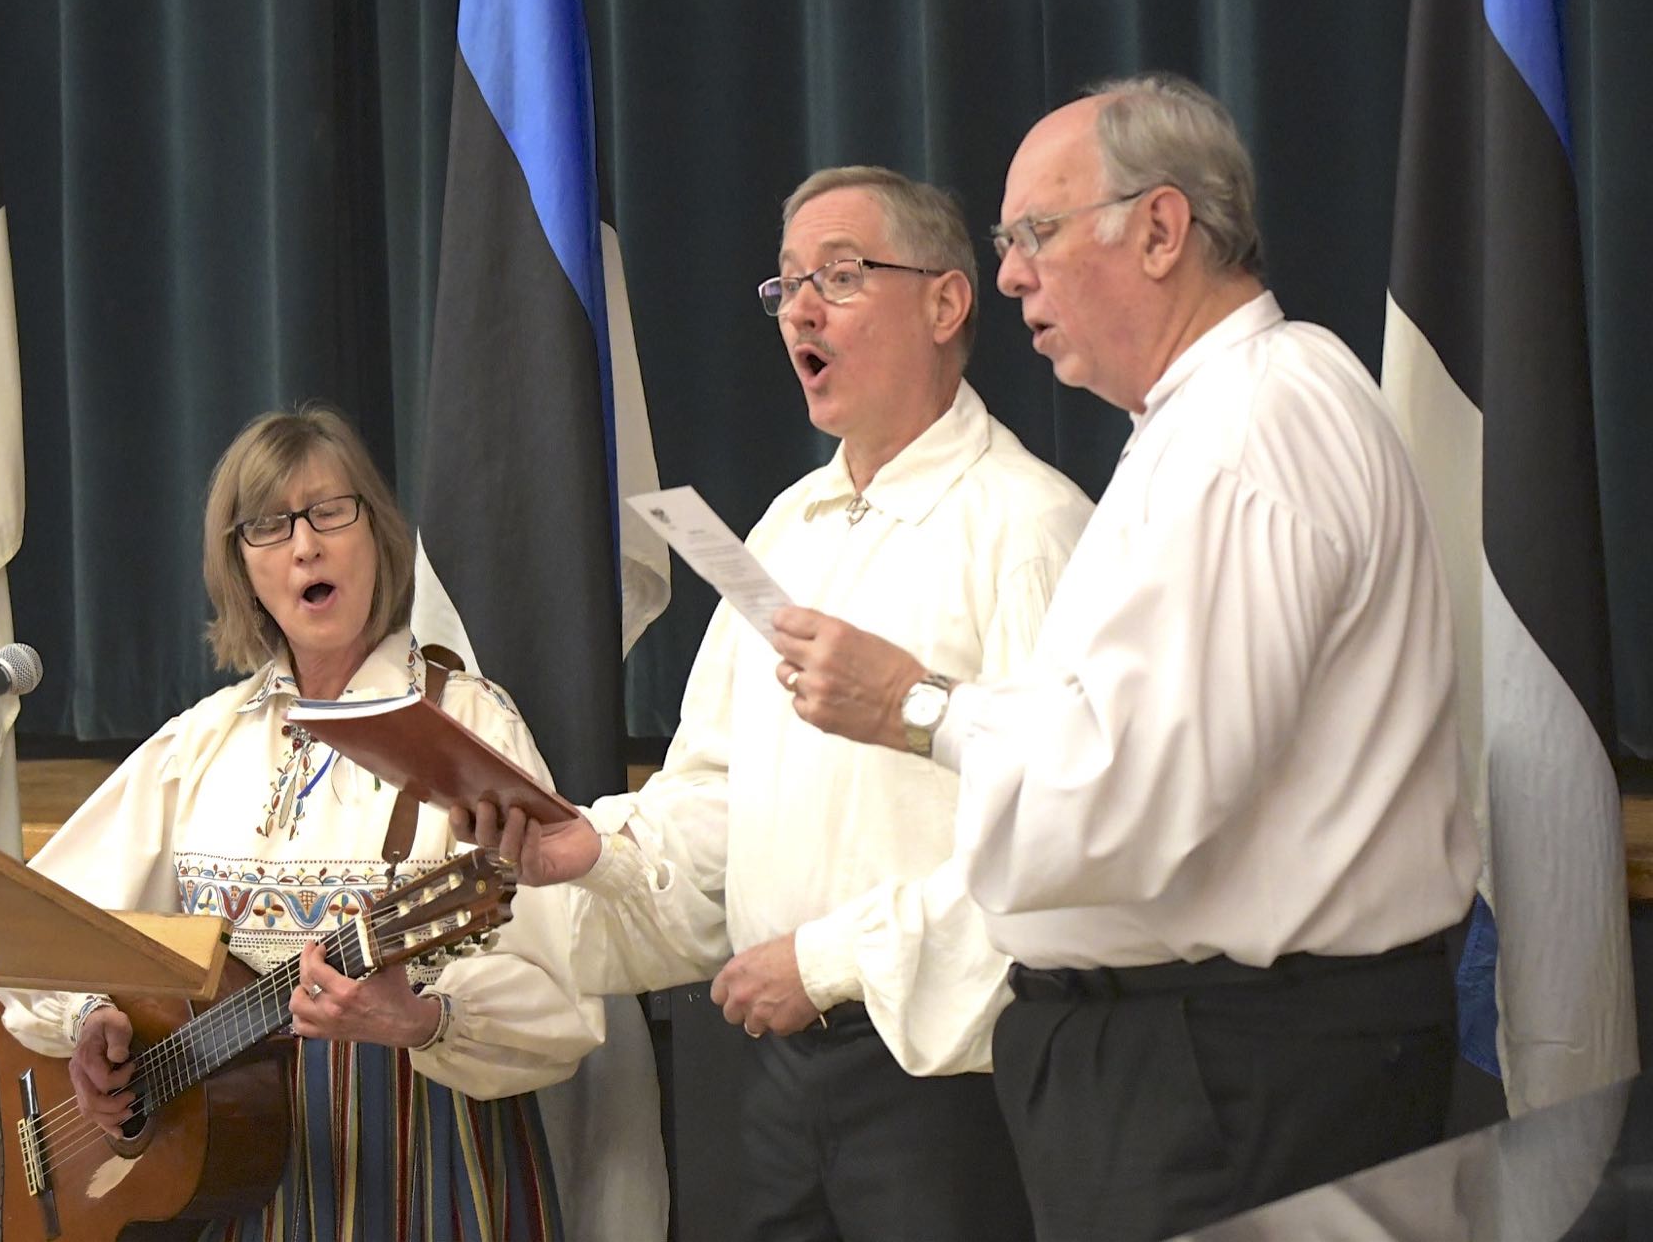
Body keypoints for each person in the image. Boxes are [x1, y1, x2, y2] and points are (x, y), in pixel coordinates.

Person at [779, 76, 1481, 1242]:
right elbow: (1125, 737)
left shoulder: (1245, 428)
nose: (1010, 276)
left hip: (1228, 1073)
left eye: (1034, 234)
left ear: (1159, 230)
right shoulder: (1213, 419)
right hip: (1206, 1064)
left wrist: (918, 707)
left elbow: (1129, 794)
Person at [469, 167, 1092, 1242]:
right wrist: (596, 850)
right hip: (761, 1077)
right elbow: (717, 789)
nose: (800, 310)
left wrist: (826, 963)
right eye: (786, 284)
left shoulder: (1026, 526)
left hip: (941, 1086)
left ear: (946, 303)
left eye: (840, 277)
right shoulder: (786, 528)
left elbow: (1057, 843)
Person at [0, 404, 602, 1242]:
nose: (305, 545)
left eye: (330, 512)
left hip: (426, 1172)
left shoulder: (469, 726)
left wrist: (424, 1020)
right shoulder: (203, 741)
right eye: (270, 526)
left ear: (377, 534)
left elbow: (562, 997)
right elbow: (37, 927)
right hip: (238, 1181)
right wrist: (93, 1021)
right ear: (243, 570)